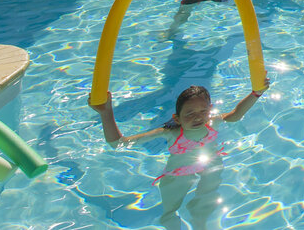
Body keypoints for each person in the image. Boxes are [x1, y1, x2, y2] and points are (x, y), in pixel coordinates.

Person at [88, 80, 268, 230]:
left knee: (205, 204)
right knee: (169, 213)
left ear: (210, 110)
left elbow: (236, 115)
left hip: (209, 164)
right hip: (178, 174)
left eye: (203, 112)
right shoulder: (171, 133)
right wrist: (106, 112)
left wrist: (256, 93)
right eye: (189, 114)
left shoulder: (213, 122)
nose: (198, 118)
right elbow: (118, 143)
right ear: (177, 118)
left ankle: (200, 221)